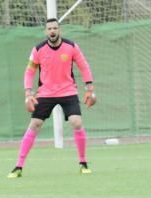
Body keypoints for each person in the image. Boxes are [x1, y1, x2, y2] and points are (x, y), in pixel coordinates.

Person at [8, 18, 96, 179]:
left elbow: (83, 65)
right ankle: (18, 166)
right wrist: (28, 91)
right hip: (45, 93)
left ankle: (83, 163)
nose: (52, 31)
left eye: (55, 28)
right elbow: (29, 72)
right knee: (35, 124)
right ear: (45, 31)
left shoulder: (71, 47)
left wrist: (89, 86)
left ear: (59, 30)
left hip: (68, 91)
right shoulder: (38, 49)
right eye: (49, 29)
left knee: (77, 122)